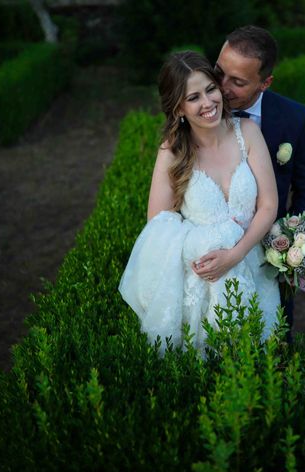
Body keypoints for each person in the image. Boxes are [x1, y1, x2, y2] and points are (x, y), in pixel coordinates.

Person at [118, 51, 280, 353]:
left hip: (254, 267)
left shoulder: (248, 133)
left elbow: (269, 205)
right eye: (193, 98)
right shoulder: (172, 151)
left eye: (210, 89)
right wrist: (205, 245)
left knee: (261, 363)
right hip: (203, 280)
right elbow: (158, 225)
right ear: (179, 107)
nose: (207, 103)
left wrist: (234, 254)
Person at [215, 25, 305, 341]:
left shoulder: (294, 117)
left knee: (275, 337)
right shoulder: (199, 110)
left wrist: (291, 240)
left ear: (265, 83)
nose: (221, 88)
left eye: (238, 82)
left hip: (267, 251)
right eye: (219, 72)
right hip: (212, 247)